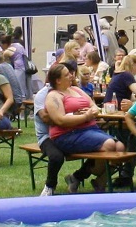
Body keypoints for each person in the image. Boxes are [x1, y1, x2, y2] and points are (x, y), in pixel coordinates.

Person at [41, 62, 122, 195]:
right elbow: (60, 120)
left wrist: (93, 111)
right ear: (58, 80)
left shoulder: (76, 90)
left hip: (90, 129)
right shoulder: (54, 96)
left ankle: (91, 180)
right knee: (109, 145)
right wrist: (85, 116)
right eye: (66, 75)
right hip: (67, 134)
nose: (71, 76)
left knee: (120, 148)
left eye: (70, 73)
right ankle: (84, 176)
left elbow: (93, 105)